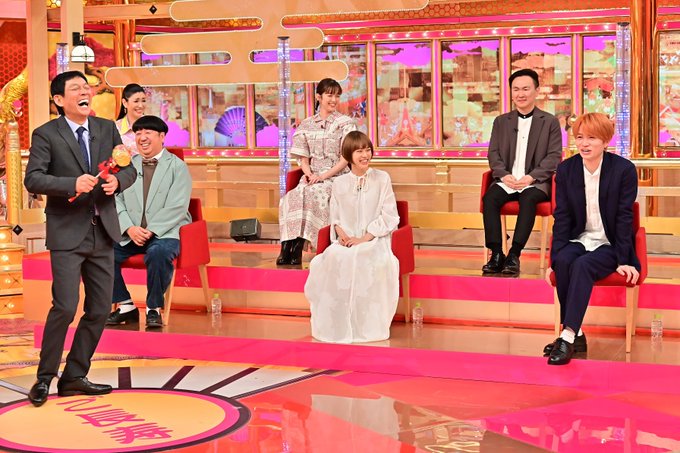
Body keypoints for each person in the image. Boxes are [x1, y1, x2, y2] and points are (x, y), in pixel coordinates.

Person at [24, 71, 137, 406]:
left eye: (86, 87)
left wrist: (119, 182)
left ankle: (74, 375)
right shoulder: (46, 134)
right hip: (67, 233)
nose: (85, 92)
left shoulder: (106, 128)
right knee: (65, 306)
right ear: (59, 100)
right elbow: (34, 179)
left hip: (103, 231)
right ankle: (45, 378)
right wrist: (71, 184)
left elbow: (128, 168)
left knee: (100, 308)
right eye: (76, 88)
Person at [544, 112, 640, 365]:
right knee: (565, 261)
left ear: (606, 141)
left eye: (592, 138)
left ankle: (567, 336)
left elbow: (624, 218)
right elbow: (562, 217)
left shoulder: (623, 170)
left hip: (610, 243)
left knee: (582, 265)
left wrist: (623, 259)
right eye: (579, 137)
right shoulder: (567, 169)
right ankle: (576, 335)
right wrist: (554, 260)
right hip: (580, 238)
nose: (584, 144)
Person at [304, 131, 400, 343]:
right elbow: (335, 217)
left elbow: (390, 215)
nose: (365, 155)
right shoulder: (339, 183)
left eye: (368, 150)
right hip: (346, 241)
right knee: (332, 258)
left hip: (375, 239)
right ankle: (338, 324)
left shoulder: (382, 178)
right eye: (359, 151)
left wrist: (364, 238)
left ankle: (364, 325)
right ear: (349, 155)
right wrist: (343, 236)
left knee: (365, 257)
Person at [105, 115, 192, 328]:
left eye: (148, 132)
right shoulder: (126, 167)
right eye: (138, 133)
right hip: (132, 232)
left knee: (158, 253)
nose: (142, 137)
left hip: (165, 232)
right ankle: (126, 305)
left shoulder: (178, 167)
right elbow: (116, 200)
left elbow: (178, 206)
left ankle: (153, 308)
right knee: (100, 253)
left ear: (162, 136)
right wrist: (129, 228)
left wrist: (151, 229)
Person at [482, 68, 562, 275]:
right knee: (490, 198)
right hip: (507, 180)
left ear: (536, 91)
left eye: (526, 89)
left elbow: (554, 156)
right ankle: (496, 253)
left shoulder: (550, 122)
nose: (520, 94)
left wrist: (531, 177)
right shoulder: (501, 121)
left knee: (528, 198)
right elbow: (493, 154)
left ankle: (514, 255)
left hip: (535, 182)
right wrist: (503, 175)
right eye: (516, 89)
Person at [277, 78, 357, 266]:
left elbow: (345, 159)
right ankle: (287, 244)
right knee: (292, 196)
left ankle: (298, 246)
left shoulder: (345, 123)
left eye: (337, 96)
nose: (334, 100)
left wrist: (323, 176)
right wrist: (309, 174)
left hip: (336, 177)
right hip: (311, 177)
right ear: (319, 97)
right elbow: (303, 159)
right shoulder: (306, 124)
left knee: (313, 194)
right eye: (330, 95)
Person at [115, 83, 147, 154]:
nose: (141, 105)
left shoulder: (153, 125)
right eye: (136, 101)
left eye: (143, 101)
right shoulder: (115, 128)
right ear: (124, 103)